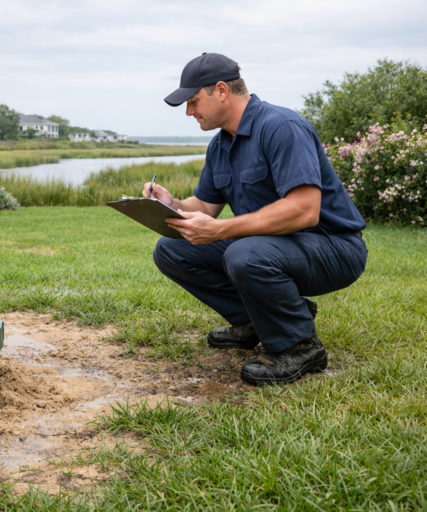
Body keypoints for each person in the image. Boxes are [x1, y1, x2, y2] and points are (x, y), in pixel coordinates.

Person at [146, 53, 367, 385]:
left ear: (221, 90)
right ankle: (254, 321)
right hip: (273, 249)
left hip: (334, 248)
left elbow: (305, 210)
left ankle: (300, 345)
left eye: (193, 101)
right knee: (172, 249)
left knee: (244, 253)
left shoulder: (282, 127)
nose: (189, 112)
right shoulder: (221, 145)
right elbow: (205, 206)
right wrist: (171, 203)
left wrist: (221, 230)